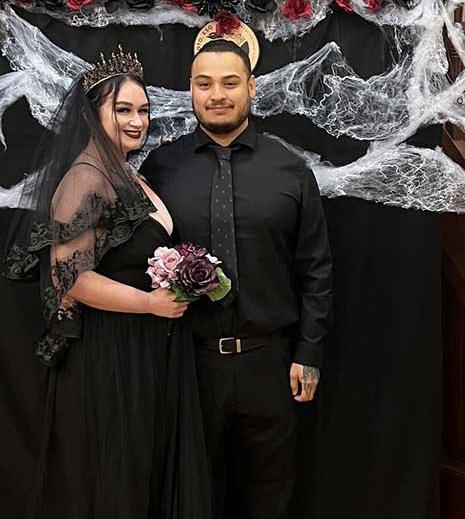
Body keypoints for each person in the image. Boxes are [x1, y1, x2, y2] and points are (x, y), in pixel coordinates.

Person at [2, 47, 211, 519]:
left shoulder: (124, 173)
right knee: (120, 483)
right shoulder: (85, 178)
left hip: (147, 348)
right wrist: (149, 303)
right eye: (123, 110)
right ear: (93, 115)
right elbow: (70, 279)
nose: (137, 121)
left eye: (143, 111)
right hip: (112, 354)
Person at [142, 38, 332, 519]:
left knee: (271, 496)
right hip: (188, 363)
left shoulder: (290, 170)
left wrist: (309, 353)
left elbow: (315, 268)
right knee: (192, 496)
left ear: (251, 87)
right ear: (190, 89)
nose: (217, 95)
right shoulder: (160, 168)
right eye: (204, 84)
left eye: (230, 83)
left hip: (271, 363)